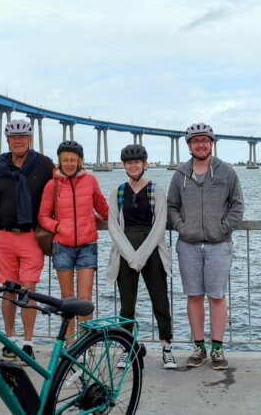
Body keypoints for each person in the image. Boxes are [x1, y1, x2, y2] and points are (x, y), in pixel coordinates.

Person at [167, 123, 244, 370]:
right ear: (189, 145)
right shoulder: (180, 175)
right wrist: (181, 227)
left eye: (205, 140)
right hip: (188, 245)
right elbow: (171, 206)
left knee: (217, 297)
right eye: (195, 141)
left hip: (218, 245)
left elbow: (237, 206)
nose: (200, 144)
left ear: (212, 143)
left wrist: (223, 228)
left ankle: (217, 348)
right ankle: (198, 347)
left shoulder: (227, 173)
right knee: (194, 296)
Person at [0, 119, 55, 362]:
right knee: (7, 290)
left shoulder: (44, 164)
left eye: (22, 137)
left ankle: (28, 341)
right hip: (2, 235)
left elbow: (62, 185)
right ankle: (9, 339)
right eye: (13, 138)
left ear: (30, 139)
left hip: (31, 236)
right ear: (8, 141)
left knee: (28, 289)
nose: (18, 141)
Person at [106, 144, 176, 369]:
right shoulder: (118, 192)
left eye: (137, 162)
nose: (133, 165)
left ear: (145, 164)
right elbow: (113, 226)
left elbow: (159, 227)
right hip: (125, 252)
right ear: (124, 166)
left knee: (160, 301)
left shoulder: (156, 190)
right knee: (127, 305)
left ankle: (167, 349)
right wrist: (130, 256)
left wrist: (140, 257)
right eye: (129, 163)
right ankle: (128, 348)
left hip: (152, 251)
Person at [38, 140, 108, 341]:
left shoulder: (91, 181)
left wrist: (121, 221)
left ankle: (85, 343)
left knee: (85, 299)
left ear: (80, 161)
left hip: (87, 245)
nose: (69, 163)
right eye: (65, 160)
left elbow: (103, 208)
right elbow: (43, 216)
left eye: (73, 160)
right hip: (62, 247)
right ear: (59, 161)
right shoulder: (52, 185)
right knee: (67, 299)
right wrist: (57, 227)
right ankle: (69, 343)